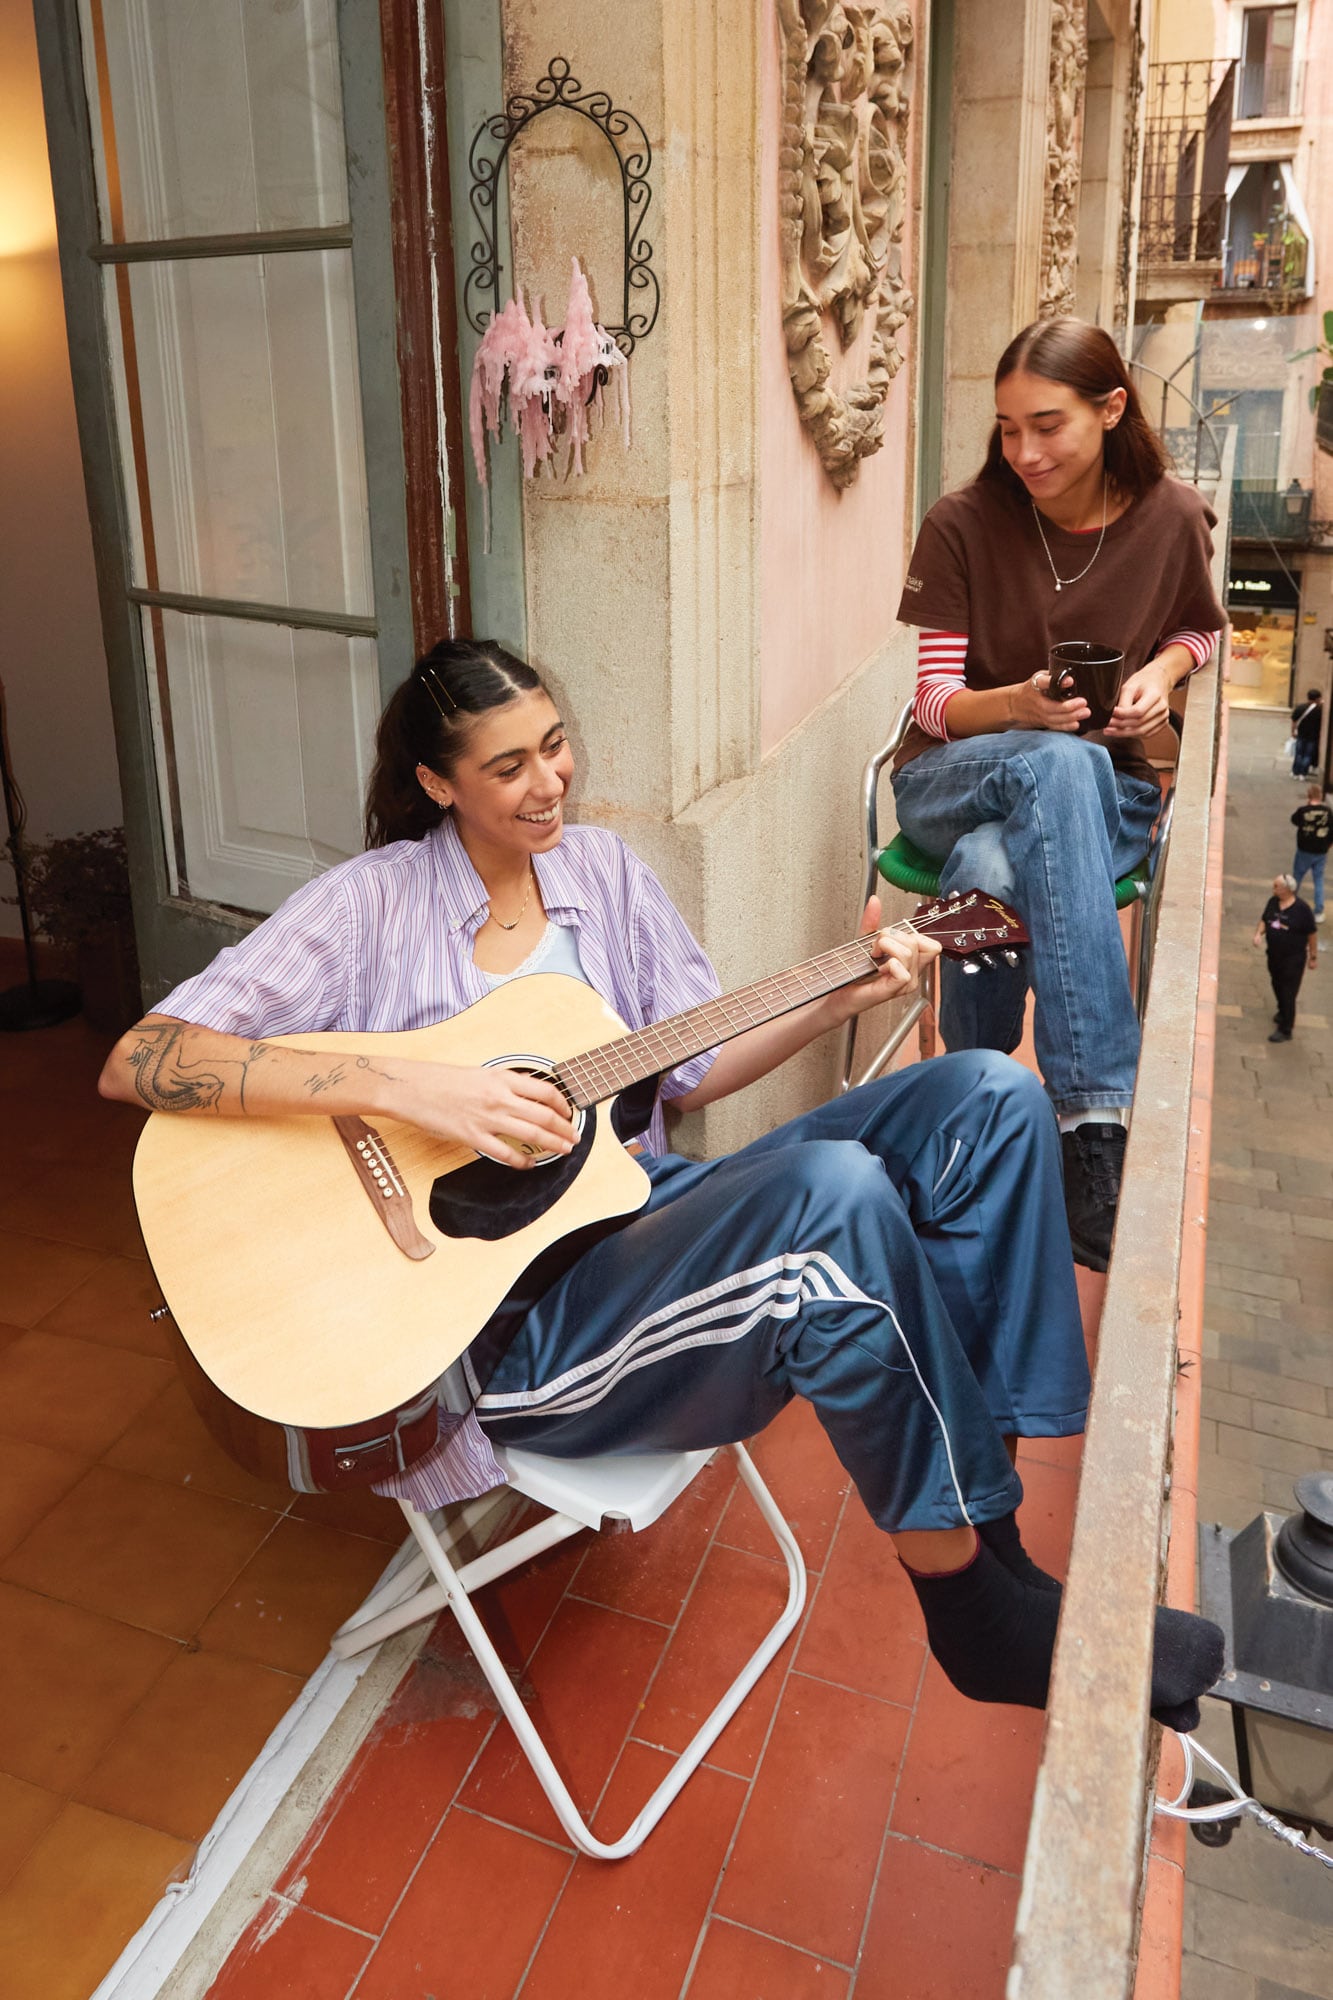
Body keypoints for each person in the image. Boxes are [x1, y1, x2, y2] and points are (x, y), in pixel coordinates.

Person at [99, 638, 1221, 1726]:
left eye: (555, 745)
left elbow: (688, 1066)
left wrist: (843, 996)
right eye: (508, 766)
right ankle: (973, 1609)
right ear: (437, 782)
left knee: (986, 1096)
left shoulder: (599, 872)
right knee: (833, 1202)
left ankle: (1002, 1551)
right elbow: (145, 1058)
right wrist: (414, 1088)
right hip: (519, 1331)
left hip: (648, 1219)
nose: (549, 783)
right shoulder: (368, 907)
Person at [892, 318, 1223, 1272]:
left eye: (1047, 425)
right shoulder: (962, 522)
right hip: (952, 776)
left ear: (1111, 408)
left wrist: (1160, 673)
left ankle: (967, 1118)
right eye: (1006, 429)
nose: (1024, 452)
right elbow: (933, 700)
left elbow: (1200, 632)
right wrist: (1023, 709)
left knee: (992, 863)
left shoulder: (1168, 516)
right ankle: (1095, 1123)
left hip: (1091, 799)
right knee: (1055, 762)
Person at [1253, 871, 1318, 1043]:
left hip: (1293, 960)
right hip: (1274, 956)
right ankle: (1283, 1011)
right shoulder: (1273, 903)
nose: (1273, 889)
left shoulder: (1302, 909)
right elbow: (1264, 920)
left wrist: (1313, 956)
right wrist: (1259, 933)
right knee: (1276, 983)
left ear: (1287, 889)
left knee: (1288, 992)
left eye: (1276, 886)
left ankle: (1286, 1029)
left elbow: (1311, 934)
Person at [1291, 782, 1331, 923]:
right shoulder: (1328, 812)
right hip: (1321, 851)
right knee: (1318, 880)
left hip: (1304, 850)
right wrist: (1328, 845)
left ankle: (1290, 905)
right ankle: (1319, 911)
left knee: (1297, 877)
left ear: (1308, 796)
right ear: (1320, 797)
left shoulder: (1303, 810)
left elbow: (1294, 820)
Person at [1291, 687, 1323, 779]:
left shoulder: (1300, 707)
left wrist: (1293, 732)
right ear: (1317, 699)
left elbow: (1294, 721)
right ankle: (1303, 773)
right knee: (1308, 755)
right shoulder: (1320, 710)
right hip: (1313, 736)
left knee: (1299, 754)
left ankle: (1295, 772)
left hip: (1301, 734)